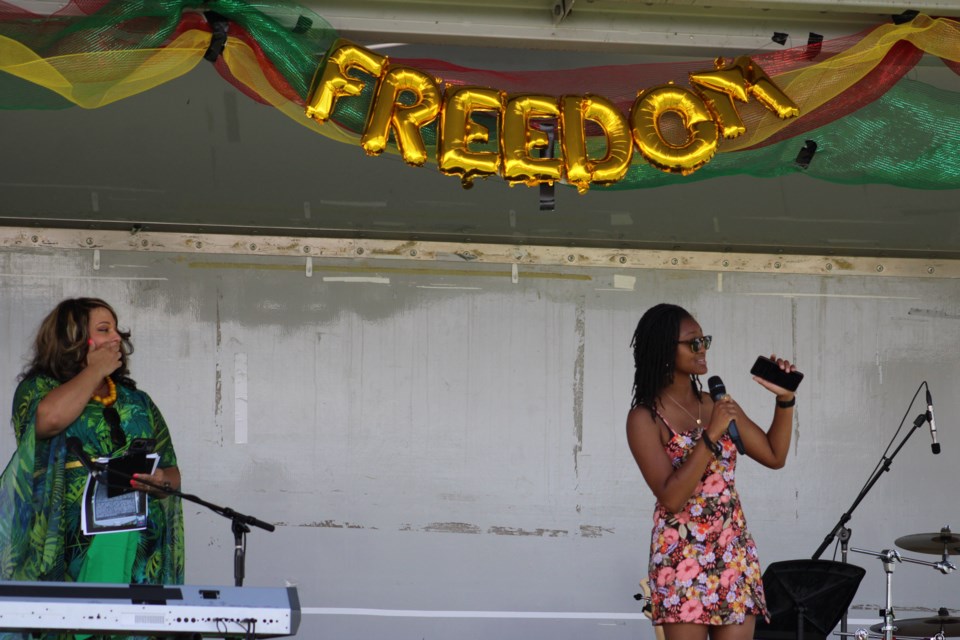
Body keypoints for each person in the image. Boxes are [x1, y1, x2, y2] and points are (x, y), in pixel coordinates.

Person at [626, 303, 796, 640]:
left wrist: (785, 400)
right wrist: (711, 435)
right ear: (663, 349)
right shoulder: (645, 418)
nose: (702, 349)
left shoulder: (717, 404)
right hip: (682, 556)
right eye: (693, 343)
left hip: (732, 552)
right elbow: (672, 497)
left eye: (704, 340)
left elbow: (775, 456)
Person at [0, 297, 183, 590]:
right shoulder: (39, 388)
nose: (116, 337)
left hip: (137, 544)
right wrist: (94, 370)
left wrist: (161, 481)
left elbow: (172, 471)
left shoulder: (138, 401)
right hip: (64, 543)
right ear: (73, 339)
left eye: (116, 329)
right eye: (104, 329)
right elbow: (49, 420)